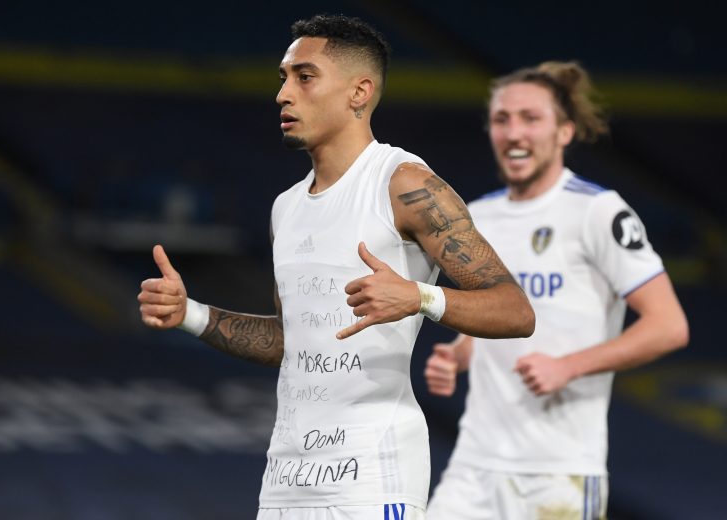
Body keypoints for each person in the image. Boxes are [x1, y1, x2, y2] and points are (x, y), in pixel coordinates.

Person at [138, 14, 534, 520]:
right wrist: (189, 314)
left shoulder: (405, 185)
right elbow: (290, 340)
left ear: (359, 92)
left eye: (304, 77)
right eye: (283, 78)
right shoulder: (286, 207)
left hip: (372, 479)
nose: (283, 94)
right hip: (286, 481)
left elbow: (516, 310)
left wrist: (420, 297)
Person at [424, 61, 689, 519]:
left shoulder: (597, 212)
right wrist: (460, 353)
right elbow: (500, 317)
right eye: (502, 119)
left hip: (559, 472)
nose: (514, 132)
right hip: (475, 464)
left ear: (564, 132)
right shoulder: (478, 218)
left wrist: (568, 366)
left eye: (531, 118)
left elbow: (669, 326)